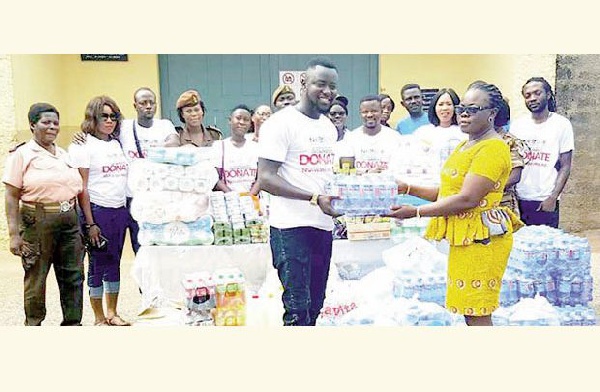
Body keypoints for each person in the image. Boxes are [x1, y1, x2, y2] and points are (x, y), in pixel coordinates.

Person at [385, 82, 523, 326]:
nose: (464, 114)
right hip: (466, 238)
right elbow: (448, 192)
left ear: (492, 113)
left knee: (478, 310)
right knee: (468, 308)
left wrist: (416, 212)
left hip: (482, 239)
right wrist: (408, 187)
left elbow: (468, 199)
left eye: (473, 109)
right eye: (462, 108)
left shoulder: (493, 148)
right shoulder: (465, 144)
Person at [257, 57, 340, 326]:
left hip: (322, 226)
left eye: (332, 86)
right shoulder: (281, 123)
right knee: (297, 307)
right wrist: (314, 198)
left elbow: (323, 175)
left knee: (316, 304)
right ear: (304, 83)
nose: (327, 91)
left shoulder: (328, 128)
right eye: (320, 84)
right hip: (290, 228)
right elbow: (266, 178)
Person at [3, 103, 85, 326]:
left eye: (56, 123)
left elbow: (78, 189)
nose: (52, 127)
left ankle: (73, 323)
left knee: (73, 276)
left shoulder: (64, 154)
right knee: (36, 276)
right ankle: (34, 325)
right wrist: (13, 235)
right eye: (46, 122)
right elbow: (11, 196)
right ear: (32, 125)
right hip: (37, 222)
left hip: (69, 220)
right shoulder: (22, 155)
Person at [68, 96, 131, 326]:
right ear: (93, 117)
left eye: (113, 116)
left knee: (114, 261)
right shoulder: (82, 145)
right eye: (103, 115)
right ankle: (98, 316)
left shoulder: (115, 143)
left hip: (119, 209)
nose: (109, 120)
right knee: (97, 264)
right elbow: (81, 188)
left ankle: (113, 312)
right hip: (96, 210)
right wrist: (90, 223)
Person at [113, 87, 179, 255]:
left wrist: (159, 148)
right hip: (130, 196)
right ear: (135, 106)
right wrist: (82, 135)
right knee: (135, 245)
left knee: (152, 245)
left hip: (155, 197)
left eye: (152, 102)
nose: (148, 106)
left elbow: (174, 141)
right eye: (143, 103)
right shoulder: (124, 127)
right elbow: (100, 132)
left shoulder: (164, 125)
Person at [510, 77, 574, 228]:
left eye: (537, 93)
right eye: (528, 95)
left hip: (546, 200)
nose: (532, 98)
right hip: (520, 198)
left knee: (545, 248)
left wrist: (553, 197)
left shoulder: (561, 125)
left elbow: (565, 165)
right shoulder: (518, 125)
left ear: (548, 94)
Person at [340, 94, 402, 173]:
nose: (369, 115)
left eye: (374, 111)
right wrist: (367, 172)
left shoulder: (395, 137)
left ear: (381, 112)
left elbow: (400, 168)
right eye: (365, 112)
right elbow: (345, 170)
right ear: (360, 113)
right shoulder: (350, 138)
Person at [412, 88, 467, 176]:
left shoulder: (465, 133)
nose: (444, 108)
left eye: (449, 104)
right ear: (434, 108)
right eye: (440, 104)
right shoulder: (422, 132)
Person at [214, 104, 260, 195]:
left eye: (246, 120)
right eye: (238, 118)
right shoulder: (219, 146)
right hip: (228, 200)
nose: (242, 122)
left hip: (251, 200)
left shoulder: (256, 147)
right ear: (230, 120)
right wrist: (232, 195)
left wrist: (249, 196)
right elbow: (215, 178)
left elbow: (260, 178)